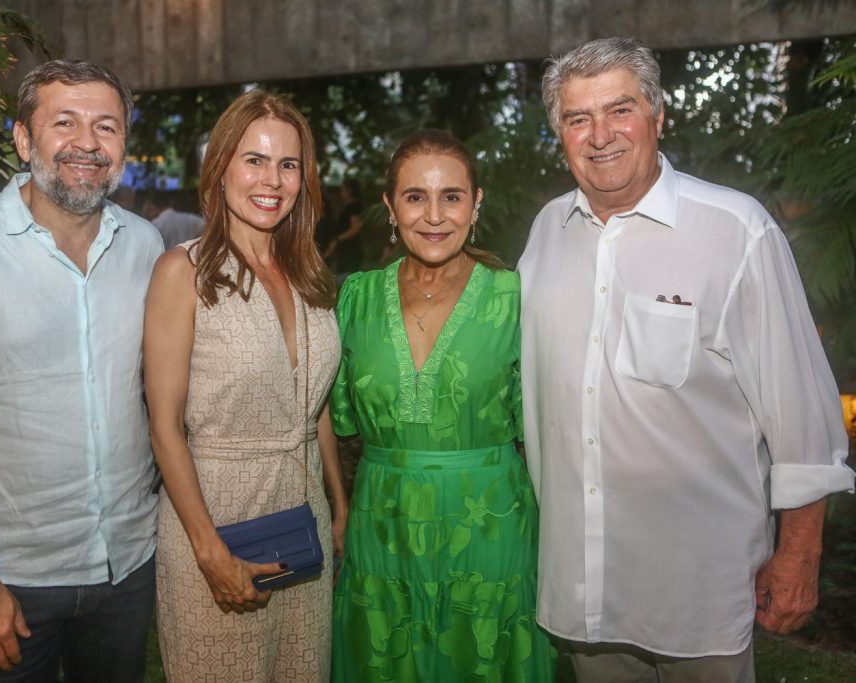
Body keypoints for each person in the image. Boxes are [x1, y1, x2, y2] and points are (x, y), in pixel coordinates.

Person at [518, 37, 855, 682]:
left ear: (659, 114)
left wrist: (799, 556)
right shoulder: (545, 234)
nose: (600, 135)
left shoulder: (736, 230)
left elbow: (804, 419)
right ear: (558, 132)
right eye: (577, 118)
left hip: (700, 595)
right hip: (584, 589)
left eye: (620, 109)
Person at [0, 60, 162, 681]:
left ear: (124, 143)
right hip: (12, 580)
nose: (87, 144)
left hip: (128, 566)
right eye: (64, 123)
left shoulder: (147, 248)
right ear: (22, 138)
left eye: (106, 127)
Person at [331, 129, 555, 681]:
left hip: (491, 532)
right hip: (382, 530)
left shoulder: (516, 296)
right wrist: (339, 508)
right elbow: (329, 417)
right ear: (390, 207)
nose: (434, 216)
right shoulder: (354, 298)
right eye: (415, 197)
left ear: (475, 204)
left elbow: (551, 422)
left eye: (451, 197)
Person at [144, 90, 348, 682]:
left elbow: (317, 407)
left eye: (288, 164)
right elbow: (164, 426)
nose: (272, 179)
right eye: (254, 159)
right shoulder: (184, 271)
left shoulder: (309, 277)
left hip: (301, 522)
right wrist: (211, 553)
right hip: (216, 519)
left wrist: (338, 506)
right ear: (221, 167)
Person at [322, 178, 364, 274]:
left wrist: (338, 239)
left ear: (349, 190)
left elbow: (355, 228)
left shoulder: (354, 207)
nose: (341, 193)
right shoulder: (349, 207)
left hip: (351, 251)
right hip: (346, 251)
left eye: (342, 190)